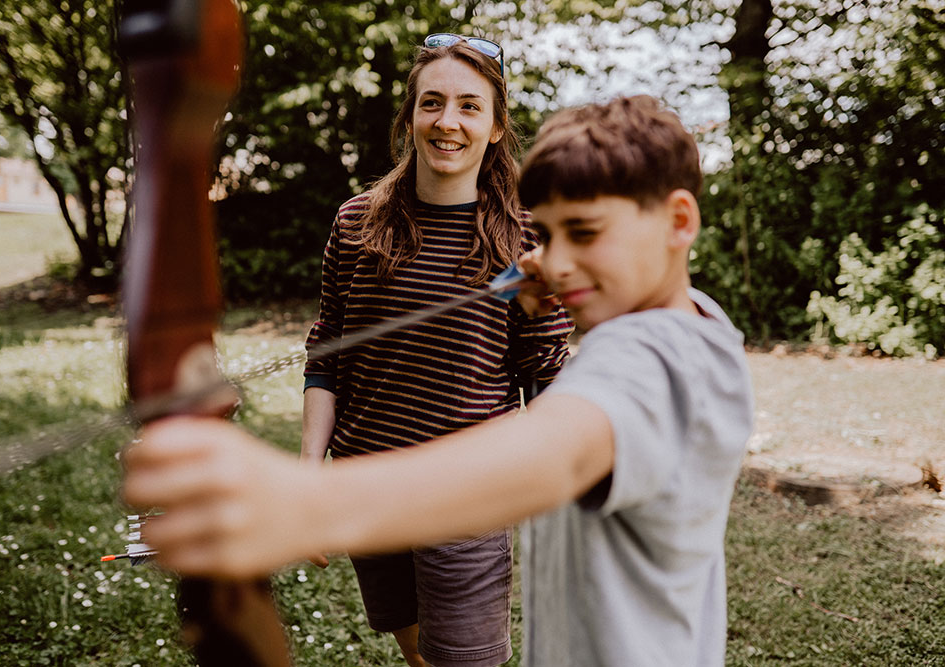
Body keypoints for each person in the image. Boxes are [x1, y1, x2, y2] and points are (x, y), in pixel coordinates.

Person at [123, 95, 755, 667]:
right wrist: (576, 275)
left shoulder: (651, 360)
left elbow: (553, 457)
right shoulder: (695, 328)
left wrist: (304, 501)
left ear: (679, 222)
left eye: (585, 232)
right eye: (547, 235)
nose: (556, 261)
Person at [299, 33, 572, 667]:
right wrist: (311, 468)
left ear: (496, 127)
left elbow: (544, 369)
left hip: (467, 491)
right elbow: (327, 353)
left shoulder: (525, 240)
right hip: (367, 481)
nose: (448, 121)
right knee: (415, 647)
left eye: (470, 106)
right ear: (410, 116)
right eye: (432, 102)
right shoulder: (356, 223)